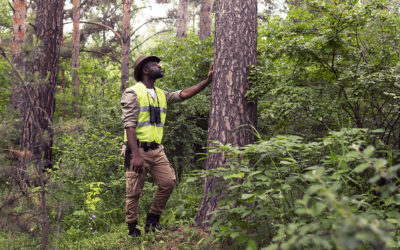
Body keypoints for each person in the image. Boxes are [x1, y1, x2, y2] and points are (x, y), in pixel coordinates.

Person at [120, 55, 213, 239]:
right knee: (134, 191)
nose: (159, 66)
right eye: (155, 64)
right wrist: (136, 155)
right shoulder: (133, 92)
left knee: (168, 182)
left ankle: (152, 220)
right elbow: (129, 125)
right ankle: (133, 229)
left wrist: (208, 80)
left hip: (157, 150)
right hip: (137, 150)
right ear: (145, 71)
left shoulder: (161, 94)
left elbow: (184, 94)